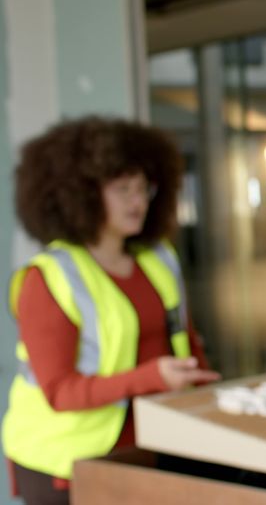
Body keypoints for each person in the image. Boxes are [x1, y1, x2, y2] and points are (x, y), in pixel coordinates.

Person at [2, 117, 220, 504]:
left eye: (144, 189)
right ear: (81, 194)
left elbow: (186, 346)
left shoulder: (158, 260)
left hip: (146, 449)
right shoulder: (50, 278)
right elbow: (60, 392)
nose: (138, 202)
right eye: (123, 190)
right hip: (64, 461)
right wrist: (150, 378)